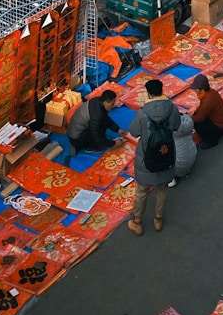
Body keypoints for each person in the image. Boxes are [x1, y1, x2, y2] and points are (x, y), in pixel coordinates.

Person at [128, 78, 181, 236]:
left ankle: (137, 222)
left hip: (146, 157)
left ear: (149, 93)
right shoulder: (172, 109)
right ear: (162, 90)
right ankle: (158, 220)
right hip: (165, 154)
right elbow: (177, 126)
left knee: (142, 190)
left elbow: (134, 131)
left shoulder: (143, 113)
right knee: (162, 189)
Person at [67, 89, 122, 155]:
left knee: (102, 123)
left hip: (75, 131)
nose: (113, 106)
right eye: (112, 104)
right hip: (76, 139)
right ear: (105, 102)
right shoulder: (97, 115)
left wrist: (117, 129)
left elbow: (106, 118)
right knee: (100, 128)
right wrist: (113, 143)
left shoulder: (98, 100)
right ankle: (90, 147)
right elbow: (97, 136)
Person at [190, 74, 223, 148]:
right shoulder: (210, 92)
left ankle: (212, 141)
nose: (195, 90)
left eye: (196, 89)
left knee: (197, 124)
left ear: (200, 89)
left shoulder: (207, 100)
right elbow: (201, 109)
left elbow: (200, 117)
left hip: (220, 126)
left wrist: (190, 118)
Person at [169, 112, 197, 186]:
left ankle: (170, 179)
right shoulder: (188, 122)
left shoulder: (171, 131)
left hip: (179, 166)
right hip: (191, 157)